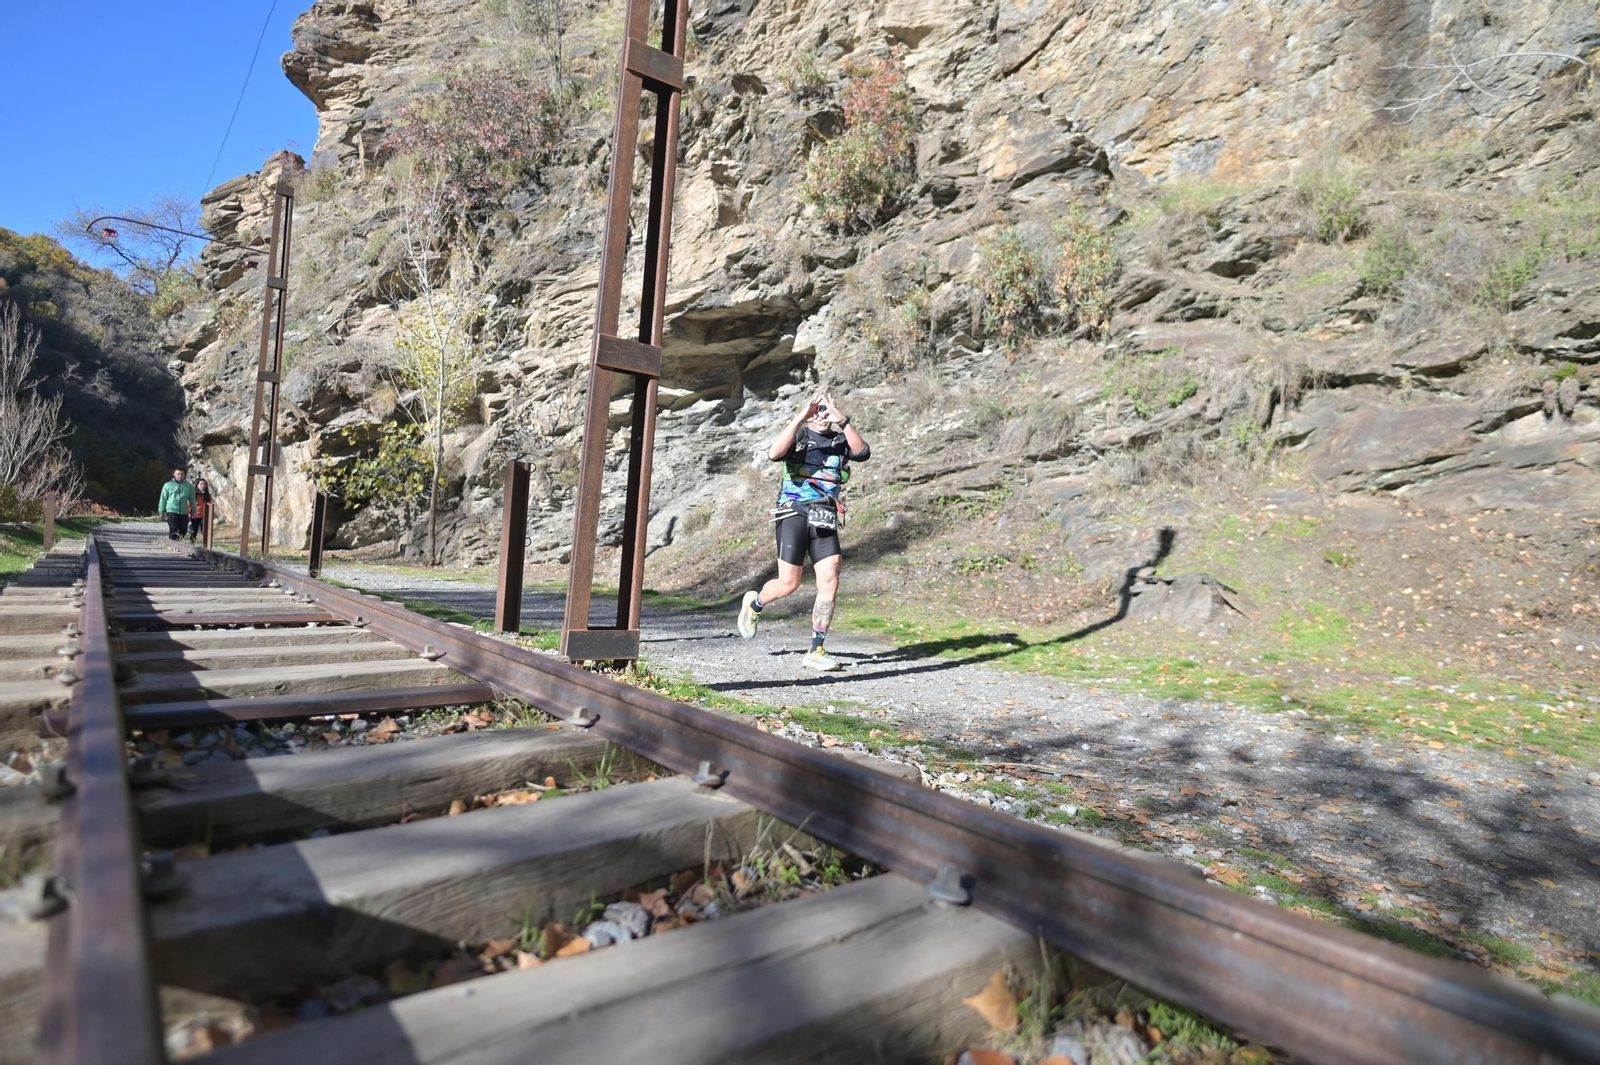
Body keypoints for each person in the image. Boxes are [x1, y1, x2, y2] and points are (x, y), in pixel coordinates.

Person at [736, 391, 869, 671]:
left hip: (825, 516)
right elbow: (774, 454)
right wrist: (800, 417)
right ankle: (755, 603)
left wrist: (843, 421)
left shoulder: (841, 439)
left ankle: (816, 649)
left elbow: (862, 452)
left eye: (825, 410)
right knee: (789, 584)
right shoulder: (799, 435)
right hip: (793, 512)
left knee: (831, 578)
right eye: (816, 410)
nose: (821, 415)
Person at [157, 468, 195, 542]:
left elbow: (192, 499)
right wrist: (161, 511)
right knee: (173, 528)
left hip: (184, 511)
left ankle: (178, 541)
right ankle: (173, 543)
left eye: (182, 474)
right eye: (178, 474)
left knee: (183, 530)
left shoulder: (189, 486)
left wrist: (194, 511)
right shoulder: (167, 485)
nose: (180, 476)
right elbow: (163, 498)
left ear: (184, 475)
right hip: (172, 510)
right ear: (174, 474)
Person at [187, 477, 212, 544]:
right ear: (197, 485)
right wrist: (188, 515)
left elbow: (210, 505)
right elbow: (188, 505)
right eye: (201, 484)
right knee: (194, 531)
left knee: (204, 531)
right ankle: (191, 544)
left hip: (204, 516)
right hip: (194, 515)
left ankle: (205, 545)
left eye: (204, 484)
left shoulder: (208, 496)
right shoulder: (193, 495)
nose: (203, 486)